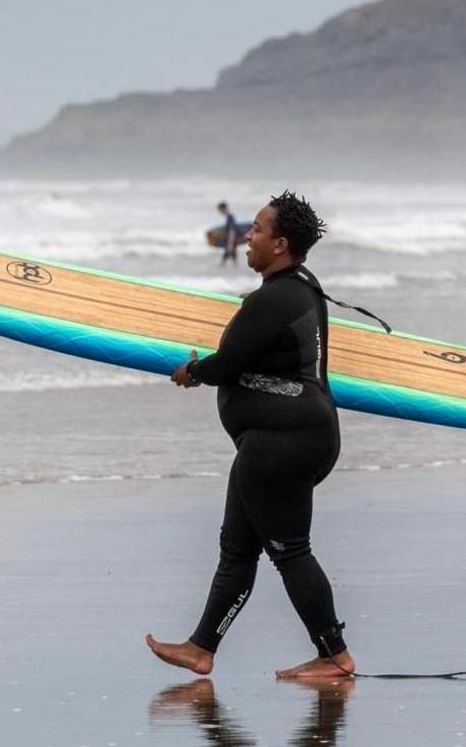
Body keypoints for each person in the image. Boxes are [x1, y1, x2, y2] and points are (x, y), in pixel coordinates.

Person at [146, 191, 356, 679]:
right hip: (292, 437)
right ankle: (202, 648)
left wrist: (192, 371)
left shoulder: (274, 298)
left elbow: (227, 365)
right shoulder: (302, 286)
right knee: (237, 548)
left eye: (258, 230)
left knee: (290, 551)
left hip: (283, 443)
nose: (248, 235)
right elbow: (267, 341)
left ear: (280, 244)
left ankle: (335, 655)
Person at [216, 201, 239, 266]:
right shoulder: (229, 217)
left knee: (225, 260)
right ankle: (236, 273)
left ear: (223, 208)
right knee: (233, 259)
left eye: (219, 210)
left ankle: (223, 273)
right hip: (231, 242)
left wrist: (230, 243)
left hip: (230, 242)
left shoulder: (230, 217)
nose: (219, 212)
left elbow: (232, 231)